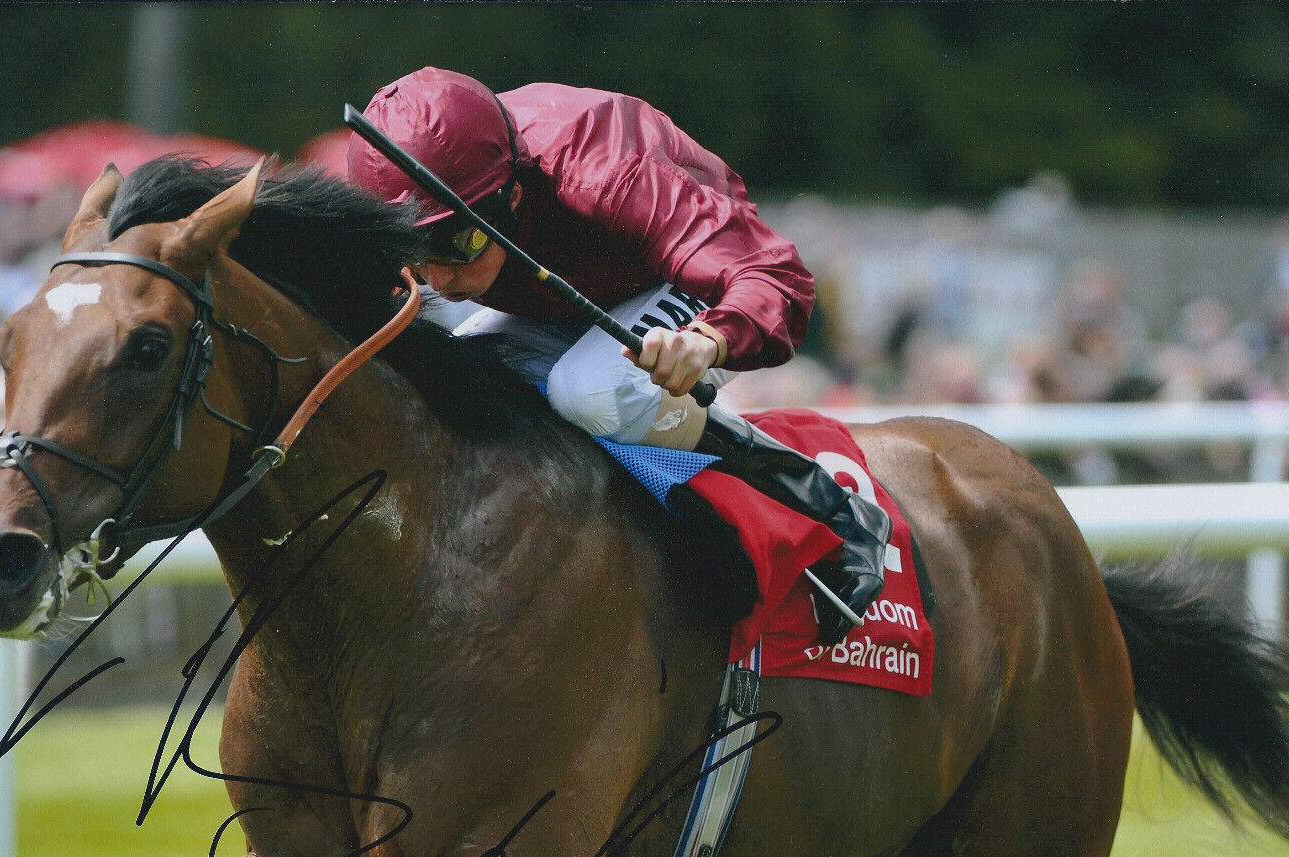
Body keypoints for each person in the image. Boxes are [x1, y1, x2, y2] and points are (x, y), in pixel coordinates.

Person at [347, 68, 889, 643]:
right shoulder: (424, 208)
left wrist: (708, 340)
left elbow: (778, 277)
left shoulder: (604, 170)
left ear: (511, 195)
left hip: (683, 278)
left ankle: (828, 503)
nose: (439, 278)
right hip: (562, 288)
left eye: (463, 243)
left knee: (592, 390)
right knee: (454, 379)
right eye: (417, 251)